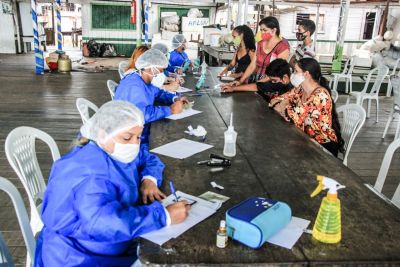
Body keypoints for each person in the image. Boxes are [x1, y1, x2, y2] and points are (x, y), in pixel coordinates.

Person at [34, 101, 190, 266]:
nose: (134, 144)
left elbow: (149, 158)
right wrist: (163, 216)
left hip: (114, 245)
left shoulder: (113, 150)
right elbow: (102, 223)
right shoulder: (90, 174)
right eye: (127, 137)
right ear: (102, 134)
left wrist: (149, 180)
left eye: (138, 137)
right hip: (81, 256)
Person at [114, 49, 189, 150]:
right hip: (127, 137)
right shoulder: (135, 86)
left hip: (138, 130)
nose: (162, 74)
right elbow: (143, 114)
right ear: (150, 68)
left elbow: (157, 92)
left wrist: (175, 98)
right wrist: (170, 110)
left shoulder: (142, 79)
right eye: (161, 71)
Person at [269, 58, 344, 157]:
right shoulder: (300, 89)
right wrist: (285, 105)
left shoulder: (320, 95)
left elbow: (293, 116)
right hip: (304, 138)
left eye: (296, 71)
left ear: (306, 74)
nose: (293, 74)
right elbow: (274, 102)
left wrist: (285, 105)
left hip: (322, 144)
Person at [231, 16, 290, 86]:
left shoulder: (282, 48)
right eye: (261, 30)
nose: (262, 33)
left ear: (274, 30)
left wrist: (257, 84)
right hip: (256, 79)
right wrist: (240, 81)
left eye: (264, 30)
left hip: (271, 83)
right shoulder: (260, 43)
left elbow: (276, 73)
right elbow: (252, 65)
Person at [221, 59, 293, 102]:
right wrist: (233, 88)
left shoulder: (292, 91)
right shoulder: (277, 83)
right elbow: (257, 86)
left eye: (274, 80)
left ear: (285, 78)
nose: (272, 82)